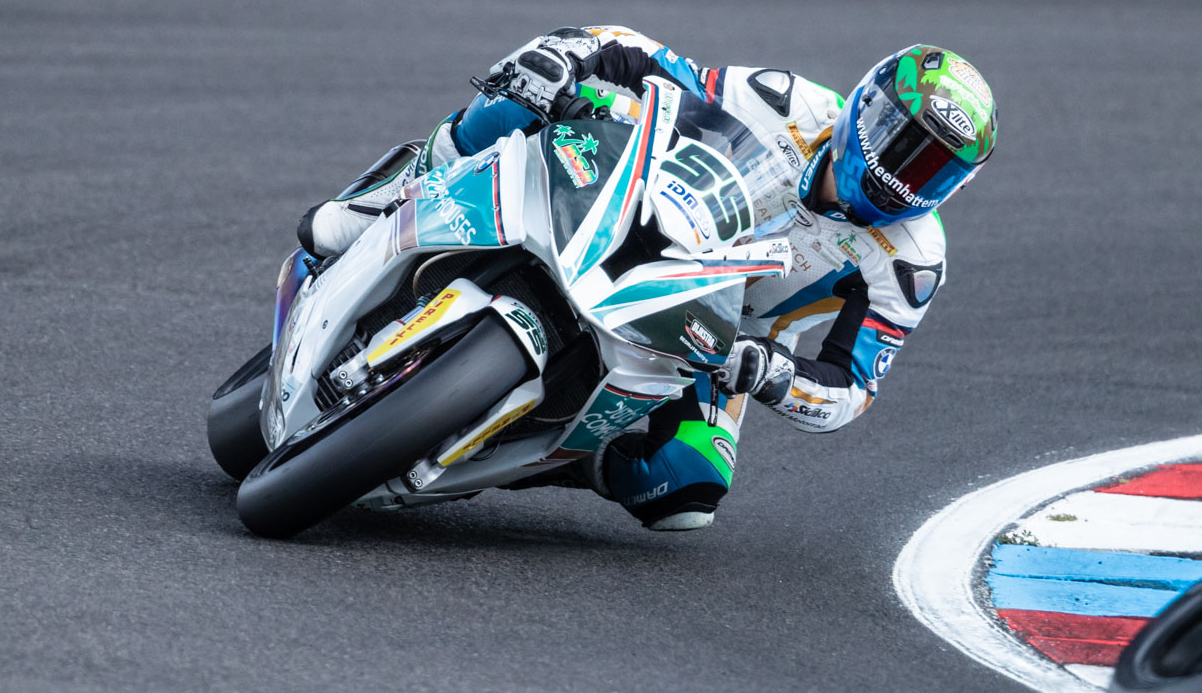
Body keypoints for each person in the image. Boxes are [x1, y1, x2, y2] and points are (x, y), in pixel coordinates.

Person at [296, 26, 999, 532]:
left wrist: (771, 373)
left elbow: (851, 390)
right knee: (527, 88)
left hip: (715, 335)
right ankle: (389, 198)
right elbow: (657, 65)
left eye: (931, 168)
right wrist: (571, 60)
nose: (900, 171)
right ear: (864, 107)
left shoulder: (910, 262)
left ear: (957, 187)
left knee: (688, 490)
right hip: (634, 209)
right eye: (897, 139)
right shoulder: (787, 102)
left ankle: (541, 448)